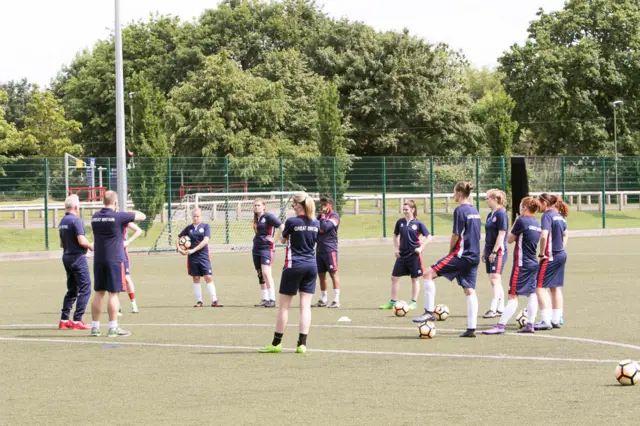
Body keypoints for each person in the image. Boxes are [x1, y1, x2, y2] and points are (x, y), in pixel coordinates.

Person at [412, 182, 481, 338]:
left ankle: (429, 312)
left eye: (454, 192)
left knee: (428, 274)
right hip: (474, 255)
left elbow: (456, 235)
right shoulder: (474, 210)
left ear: (458, 192)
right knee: (469, 289)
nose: (453, 194)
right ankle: (471, 329)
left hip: (461, 255)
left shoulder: (460, 210)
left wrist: (450, 252)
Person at [259, 192, 319, 354]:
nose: (292, 208)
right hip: (311, 266)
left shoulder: (291, 222)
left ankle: (276, 343)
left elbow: (284, 240)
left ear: (298, 205)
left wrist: (287, 232)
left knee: (284, 307)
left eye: (293, 206)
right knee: (305, 307)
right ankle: (302, 344)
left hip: (294, 266)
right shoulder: (316, 223)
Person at [89, 190, 146, 337]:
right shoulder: (119, 216)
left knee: (98, 293)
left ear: (103, 201)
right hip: (115, 259)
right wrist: (125, 211)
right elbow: (142, 216)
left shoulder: (95, 217)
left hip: (99, 259)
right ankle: (113, 327)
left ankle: (95, 327)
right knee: (113, 294)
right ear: (115, 203)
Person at [483, 197, 542, 335]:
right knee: (532, 294)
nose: (519, 208)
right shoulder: (536, 223)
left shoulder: (521, 221)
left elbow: (509, 239)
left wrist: (515, 221)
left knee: (513, 296)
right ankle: (530, 324)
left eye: (521, 205)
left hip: (521, 265)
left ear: (525, 207)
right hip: (533, 263)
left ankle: (500, 325)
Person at [379, 200, 432, 312]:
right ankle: (392, 302)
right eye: (403, 209)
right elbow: (395, 236)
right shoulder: (400, 222)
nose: (404, 211)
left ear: (412, 210)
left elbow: (429, 237)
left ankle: (413, 302)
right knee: (394, 278)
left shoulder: (418, 224)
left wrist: (421, 248)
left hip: (414, 256)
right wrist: (397, 249)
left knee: (414, 279)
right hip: (402, 255)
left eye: (406, 209)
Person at [58, 194, 94, 330]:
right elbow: (81, 240)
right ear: (76, 207)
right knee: (85, 288)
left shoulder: (62, 222)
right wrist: (91, 247)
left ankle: (64, 319)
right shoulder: (76, 221)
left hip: (66, 256)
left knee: (72, 289)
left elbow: (61, 243)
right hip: (77, 258)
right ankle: (77, 320)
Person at [534, 193, 569, 330]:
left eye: (539, 202)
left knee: (539, 287)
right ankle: (557, 318)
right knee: (555, 287)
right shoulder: (560, 217)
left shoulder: (547, 216)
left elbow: (544, 236)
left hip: (550, 256)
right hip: (561, 254)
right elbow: (565, 234)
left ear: (545, 203)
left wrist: (542, 253)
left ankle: (545, 320)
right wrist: (560, 247)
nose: (538, 205)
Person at [177, 208, 222, 308]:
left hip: (203, 256)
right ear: (192, 217)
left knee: (208, 277)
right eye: (194, 216)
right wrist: (179, 249)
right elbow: (178, 238)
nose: (196, 218)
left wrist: (194, 250)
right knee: (196, 278)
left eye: (198, 216)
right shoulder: (188, 228)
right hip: (192, 258)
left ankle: (214, 300)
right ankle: (199, 301)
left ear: (201, 217)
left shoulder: (206, 227)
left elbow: (205, 241)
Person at [252, 198, 284, 308]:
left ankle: (272, 299)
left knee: (266, 273)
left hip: (267, 248)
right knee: (260, 274)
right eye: (255, 205)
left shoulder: (268, 217)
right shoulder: (257, 218)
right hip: (256, 248)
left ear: (264, 206)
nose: (256, 207)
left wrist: (275, 239)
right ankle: (265, 298)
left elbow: (281, 226)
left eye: (258, 205)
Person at [482, 189, 508, 318]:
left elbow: (501, 234)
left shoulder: (501, 213)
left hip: (498, 252)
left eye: (488, 198)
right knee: (495, 280)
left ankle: (493, 308)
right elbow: (488, 236)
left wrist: (494, 251)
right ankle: (501, 308)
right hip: (489, 250)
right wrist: (485, 251)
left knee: (494, 279)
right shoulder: (489, 215)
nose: (486, 201)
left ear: (496, 199)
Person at [312, 195, 342, 308]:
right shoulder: (320, 216)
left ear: (330, 205)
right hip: (319, 249)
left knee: (333, 273)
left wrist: (323, 217)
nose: (322, 207)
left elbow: (324, 228)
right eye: (321, 205)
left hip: (330, 249)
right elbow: (316, 228)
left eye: (325, 205)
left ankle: (336, 300)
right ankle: (323, 299)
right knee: (321, 274)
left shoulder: (335, 217)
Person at [122, 222, 142, 313]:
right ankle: (116, 306)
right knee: (111, 280)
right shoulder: (106, 219)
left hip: (122, 254)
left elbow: (138, 230)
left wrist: (127, 242)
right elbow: (93, 234)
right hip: (109, 254)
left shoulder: (122, 218)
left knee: (126, 278)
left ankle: (133, 304)